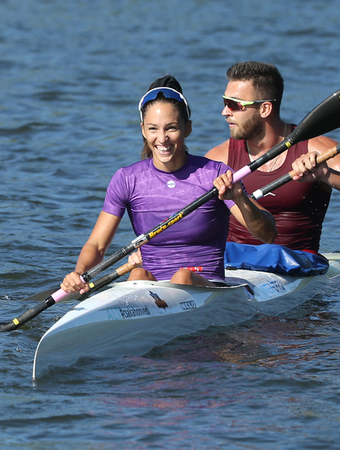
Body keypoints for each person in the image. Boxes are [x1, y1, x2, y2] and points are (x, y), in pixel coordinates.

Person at [61, 77, 276, 293]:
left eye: (171, 128)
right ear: (143, 130)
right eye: (153, 129)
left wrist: (238, 198)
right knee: (137, 274)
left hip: (204, 285)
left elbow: (268, 234)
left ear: (187, 128)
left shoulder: (216, 174)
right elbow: (97, 245)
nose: (162, 139)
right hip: (153, 289)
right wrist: (79, 274)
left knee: (182, 277)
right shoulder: (127, 179)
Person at [204, 61, 340, 252]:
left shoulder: (317, 149)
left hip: (299, 265)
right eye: (225, 102)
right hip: (236, 265)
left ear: (265, 109)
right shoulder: (219, 158)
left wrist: (327, 175)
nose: (224, 112)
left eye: (233, 104)